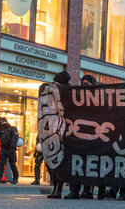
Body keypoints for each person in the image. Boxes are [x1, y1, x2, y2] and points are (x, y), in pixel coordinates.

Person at [47, 71, 71, 199]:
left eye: (56, 82)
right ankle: (55, 189)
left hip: (64, 135)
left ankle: (59, 189)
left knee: (60, 164)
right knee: (54, 165)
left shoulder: (67, 94)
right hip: (54, 133)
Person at [0, 117, 19, 184]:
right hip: (3, 149)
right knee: (1, 164)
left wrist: (12, 148)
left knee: (12, 164)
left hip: (10, 149)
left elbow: (15, 139)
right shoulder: (2, 130)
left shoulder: (13, 129)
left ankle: (15, 178)